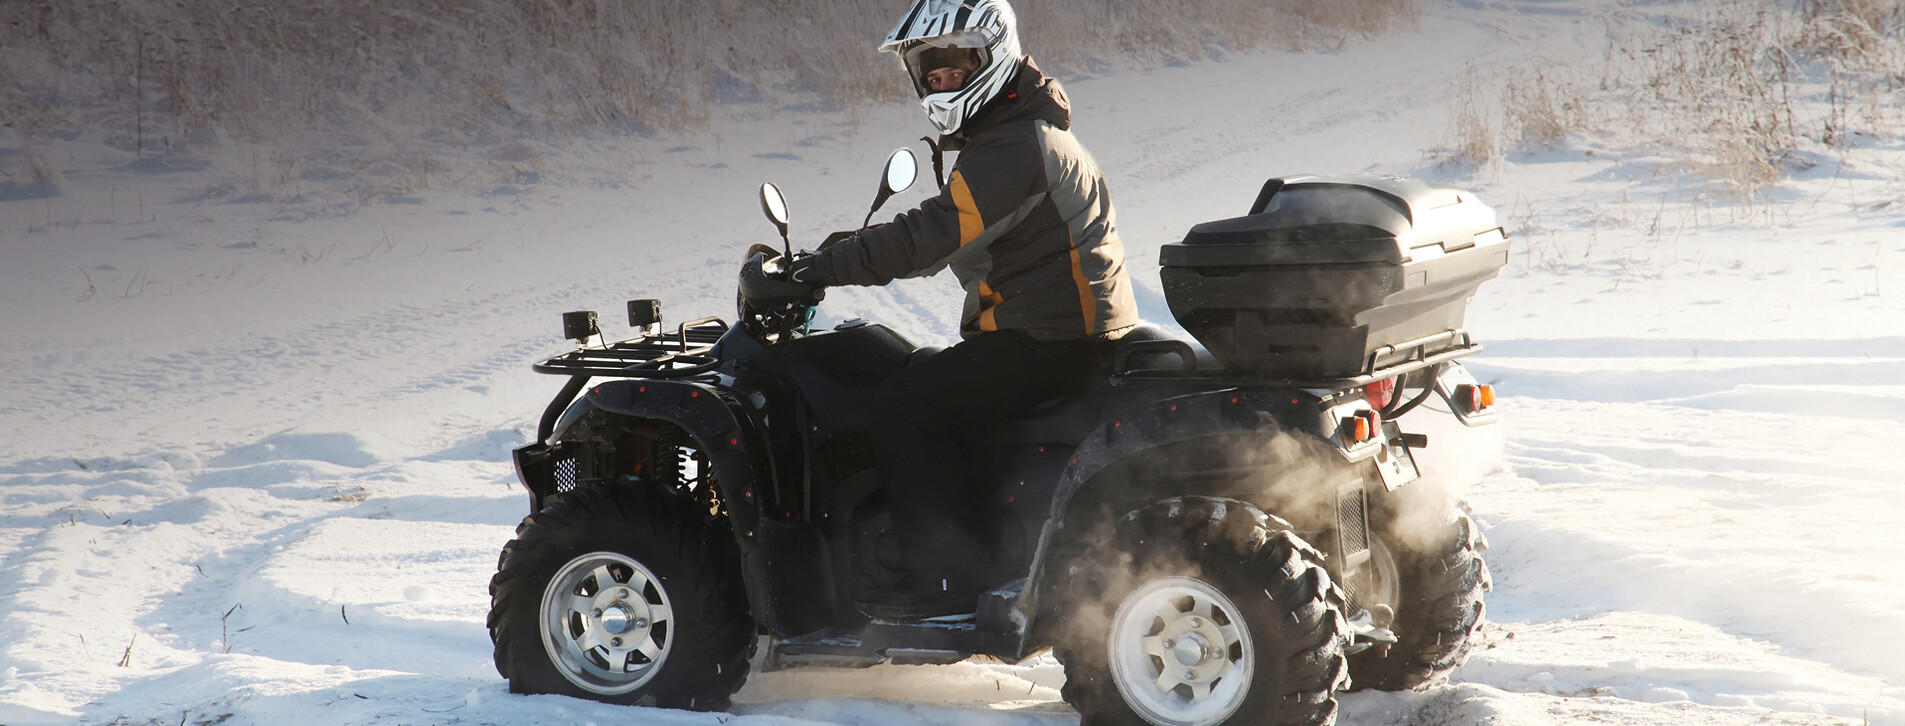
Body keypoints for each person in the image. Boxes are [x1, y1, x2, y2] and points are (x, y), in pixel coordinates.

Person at [786, 0, 1137, 616]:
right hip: (1062, 331)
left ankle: (946, 576)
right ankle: (986, 546)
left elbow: (935, 233)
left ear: (994, 54)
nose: (943, 80)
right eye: (931, 71)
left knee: (904, 403)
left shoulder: (1015, 146)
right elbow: (942, 238)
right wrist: (842, 252)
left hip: (1050, 340)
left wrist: (819, 268)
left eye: (956, 65)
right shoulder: (1018, 130)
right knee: (920, 370)